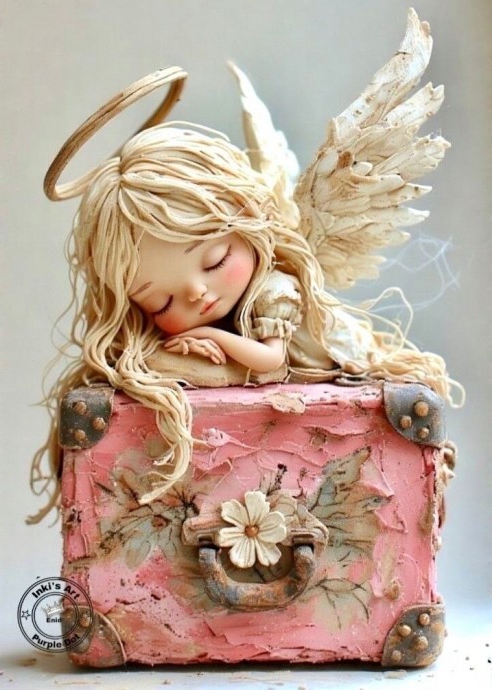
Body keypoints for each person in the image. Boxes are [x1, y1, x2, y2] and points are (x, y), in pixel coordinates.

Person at [28, 123, 459, 523]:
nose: (197, 293)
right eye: (161, 303)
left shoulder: (276, 291)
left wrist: (211, 337)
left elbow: (270, 362)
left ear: (247, 219)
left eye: (215, 260)